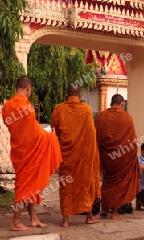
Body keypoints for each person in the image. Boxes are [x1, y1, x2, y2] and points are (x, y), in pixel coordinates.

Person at [2, 76, 62, 230]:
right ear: (28, 88)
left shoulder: (7, 106)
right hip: (29, 153)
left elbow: (16, 128)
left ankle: (33, 218)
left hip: (18, 151)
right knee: (23, 188)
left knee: (30, 186)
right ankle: (15, 222)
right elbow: (34, 134)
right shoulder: (27, 108)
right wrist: (51, 136)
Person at [51, 82, 101, 227]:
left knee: (67, 187)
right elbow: (91, 135)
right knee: (85, 185)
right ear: (79, 95)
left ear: (67, 94)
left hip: (66, 156)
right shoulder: (86, 110)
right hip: (84, 157)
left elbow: (56, 132)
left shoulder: (59, 109)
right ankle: (89, 216)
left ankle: (65, 219)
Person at [94, 94, 141, 219]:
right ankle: (114, 213)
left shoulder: (100, 117)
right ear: (122, 104)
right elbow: (133, 142)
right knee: (118, 184)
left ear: (110, 104)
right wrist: (131, 157)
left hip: (106, 156)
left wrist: (99, 156)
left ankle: (104, 209)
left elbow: (96, 138)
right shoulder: (127, 118)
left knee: (107, 181)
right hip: (121, 158)